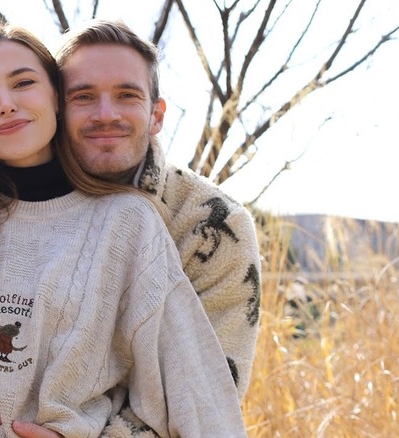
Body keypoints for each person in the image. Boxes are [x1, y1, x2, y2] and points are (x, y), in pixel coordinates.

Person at [0, 24, 245, 438]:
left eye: (24, 83)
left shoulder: (131, 218)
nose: (5, 104)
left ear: (58, 98)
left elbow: (192, 388)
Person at [55, 19, 261, 402]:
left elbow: (208, 398)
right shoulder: (6, 201)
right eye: (82, 96)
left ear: (157, 115)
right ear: (55, 111)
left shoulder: (211, 224)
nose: (105, 114)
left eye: (126, 95)